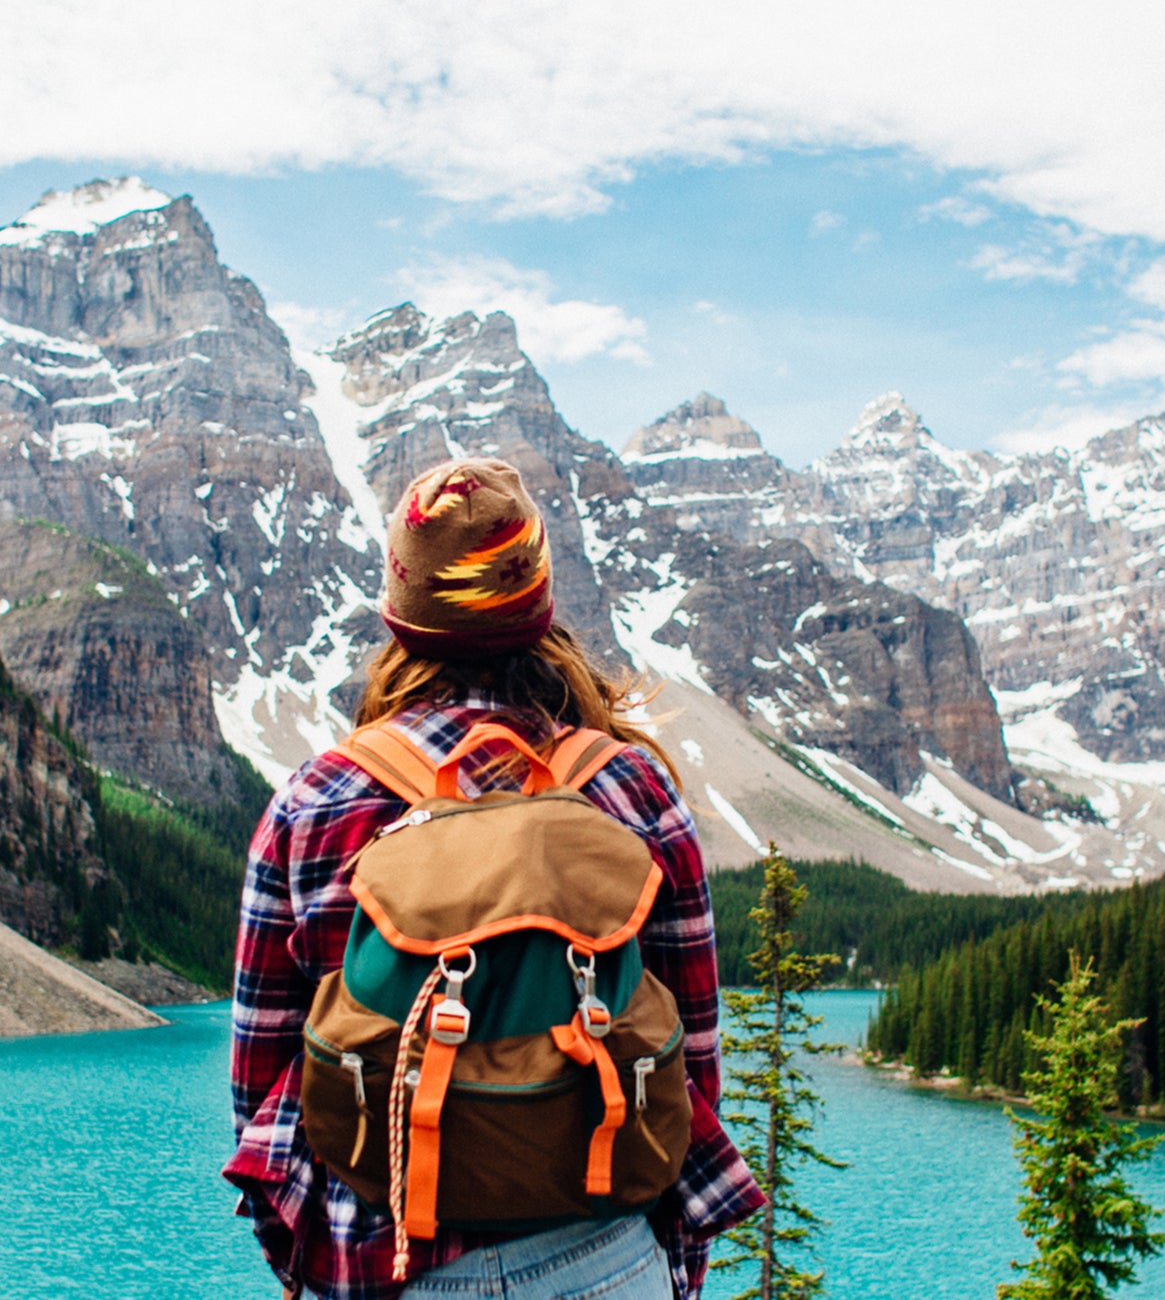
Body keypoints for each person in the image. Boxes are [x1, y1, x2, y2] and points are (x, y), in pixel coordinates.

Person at [226, 457, 764, 1299]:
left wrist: (313, 1264)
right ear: (539, 601)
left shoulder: (316, 802)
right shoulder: (631, 788)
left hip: (386, 1264)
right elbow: (690, 1068)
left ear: (405, 620)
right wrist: (677, 1270)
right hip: (607, 1255)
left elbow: (261, 1093)